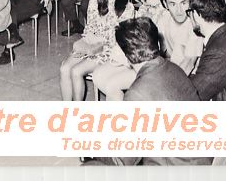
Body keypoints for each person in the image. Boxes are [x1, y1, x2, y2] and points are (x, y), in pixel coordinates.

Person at [86, 18, 205, 167]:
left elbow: (123, 160)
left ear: (125, 56)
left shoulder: (137, 94)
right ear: (159, 44)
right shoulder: (175, 69)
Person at [60, 0, 134, 101]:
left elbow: (119, 38)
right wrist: (86, 43)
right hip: (91, 44)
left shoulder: (127, 7)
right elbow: (89, 28)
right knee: (64, 68)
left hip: (109, 51)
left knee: (76, 71)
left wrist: (98, 41)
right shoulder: (93, 3)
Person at [92, 0, 165, 101]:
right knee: (97, 75)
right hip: (134, 57)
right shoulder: (144, 7)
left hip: (148, 64)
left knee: (111, 85)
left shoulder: (164, 14)